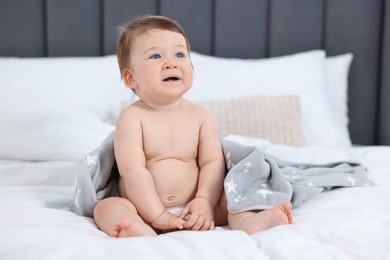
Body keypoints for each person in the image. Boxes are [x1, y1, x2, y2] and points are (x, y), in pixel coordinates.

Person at [93, 15, 293, 238]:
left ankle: (249, 222)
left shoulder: (201, 115)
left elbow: (212, 162)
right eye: (156, 56)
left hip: (201, 210)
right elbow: (132, 171)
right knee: (106, 207)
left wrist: (205, 201)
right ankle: (136, 228)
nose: (171, 63)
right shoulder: (132, 118)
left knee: (240, 195)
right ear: (131, 78)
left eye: (179, 54)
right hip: (144, 210)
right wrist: (157, 215)